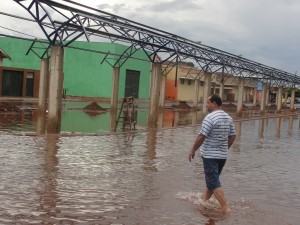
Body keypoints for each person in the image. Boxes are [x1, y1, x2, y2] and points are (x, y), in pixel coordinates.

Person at [188, 94, 236, 214]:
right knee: (212, 181)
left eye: (208, 102)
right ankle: (204, 200)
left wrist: (193, 149)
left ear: (214, 103)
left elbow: (201, 136)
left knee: (213, 182)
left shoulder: (210, 118)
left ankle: (225, 207)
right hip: (222, 156)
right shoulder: (228, 118)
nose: (206, 105)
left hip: (210, 156)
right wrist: (225, 148)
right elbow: (233, 135)